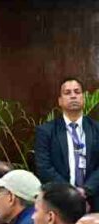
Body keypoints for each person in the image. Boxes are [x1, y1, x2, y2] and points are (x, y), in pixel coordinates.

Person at [35, 77, 99, 210]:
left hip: (94, 199)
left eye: (77, 92)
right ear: (60, 101)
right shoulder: (46, 131)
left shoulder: (97, 129)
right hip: (59, 201)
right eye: (67, 93)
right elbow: (44, 167)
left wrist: (85, 190)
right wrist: (71, 193)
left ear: (83, 98)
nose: (73, 96)